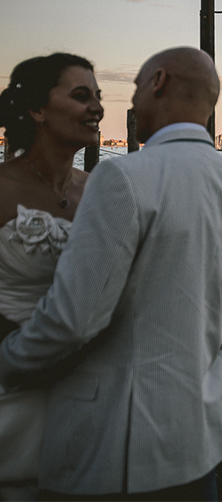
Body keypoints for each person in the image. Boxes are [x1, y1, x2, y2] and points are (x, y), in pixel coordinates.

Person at [0, 47, 222, 499]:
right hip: (199, 435)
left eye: (135, 87)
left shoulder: (121, 178)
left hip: (116, 439)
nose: (116, 106)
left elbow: (74, 320)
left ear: (159, 82)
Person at [0, 53, 105, 498]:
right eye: (81, 96)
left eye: (98, 96)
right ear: (37, 110)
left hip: (92, 395)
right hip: (14, 391)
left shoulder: (103, 190)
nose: (97, 108)